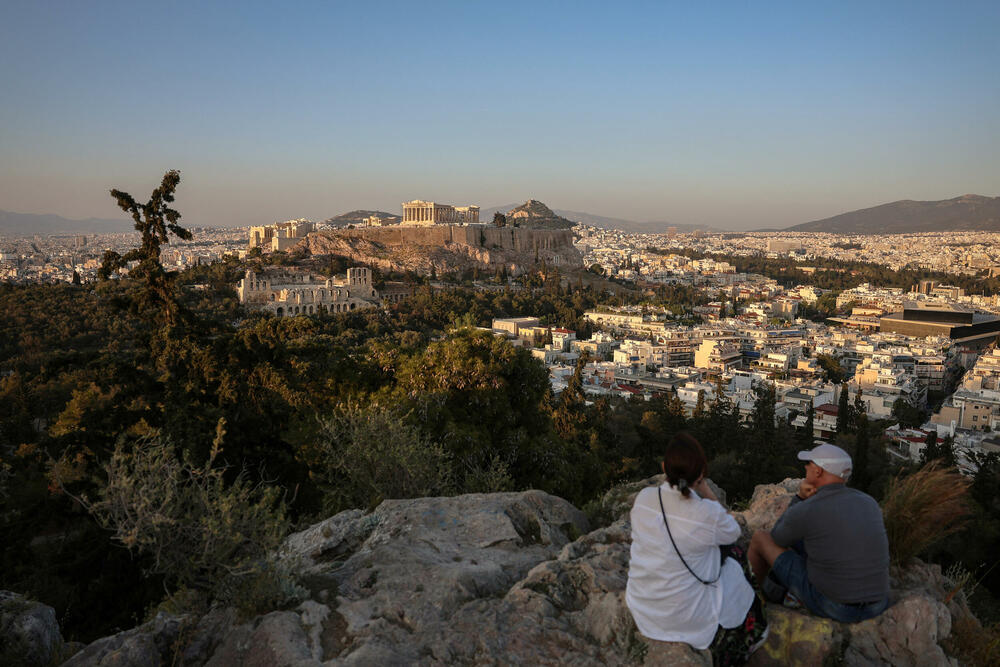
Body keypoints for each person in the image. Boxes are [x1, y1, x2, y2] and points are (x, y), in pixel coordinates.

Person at [627, 433, 766, 661]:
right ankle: (751, 629)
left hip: (645, 610)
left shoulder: (644, 498)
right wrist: (706, 491)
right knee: (736, 554)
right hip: (686, 620)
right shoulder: (705, 513)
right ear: (700, 474)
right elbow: (733, 531)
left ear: (664, 467)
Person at [747, 443, 890, 623]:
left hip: (836, 607)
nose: (805, 467)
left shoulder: (809, 508)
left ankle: (749, 603)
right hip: (878, 605)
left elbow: (778, 538)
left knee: (761, 538)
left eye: (809, 464)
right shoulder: (869, 502)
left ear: (818, 471)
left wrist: (799, 498)